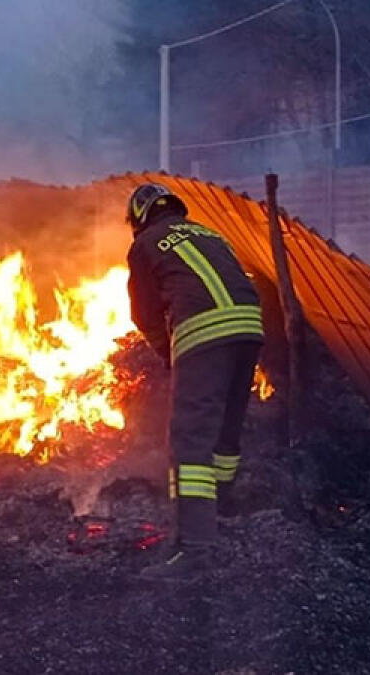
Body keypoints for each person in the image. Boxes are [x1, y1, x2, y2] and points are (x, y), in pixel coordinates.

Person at [124, 182, 264, 581]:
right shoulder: (210, 233)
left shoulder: (145, 243)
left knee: (190, 441)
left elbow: (146, 312)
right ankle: (224, 506)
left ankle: (196, 549)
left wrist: (169, 353)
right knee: (226, 431)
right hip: (250, 327)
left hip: (203, 331)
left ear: (139, 218)